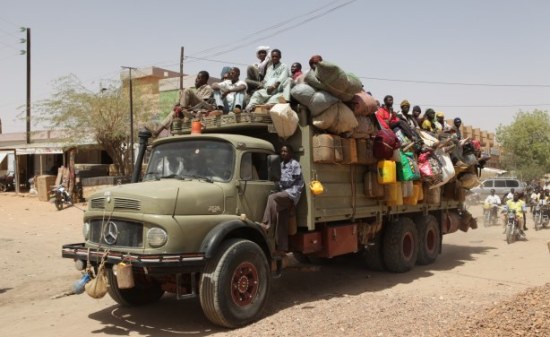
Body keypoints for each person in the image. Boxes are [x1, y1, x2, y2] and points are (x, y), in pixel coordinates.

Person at [260, 145, 304, 254]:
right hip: (284, 193)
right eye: (282, 151)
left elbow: (290, 182)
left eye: (286, 151)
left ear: (291, 153)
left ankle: (266, 224)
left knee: (272, 197)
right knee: (282, 220)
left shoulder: (295, 164)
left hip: (292, 193)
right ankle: (282, 248)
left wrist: (277, 180)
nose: (283, 153)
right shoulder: (280, 165)